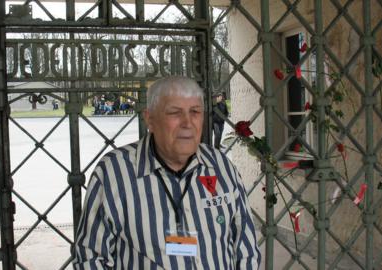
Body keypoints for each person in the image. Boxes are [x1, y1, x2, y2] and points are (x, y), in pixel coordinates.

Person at [73, 76, 260, 269]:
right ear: (150, 120)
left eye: (195, 112)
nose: (187, 123)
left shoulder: (221, 166)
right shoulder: (114, 172)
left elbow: (246, 249)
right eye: (175, 113)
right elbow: (90, 257)